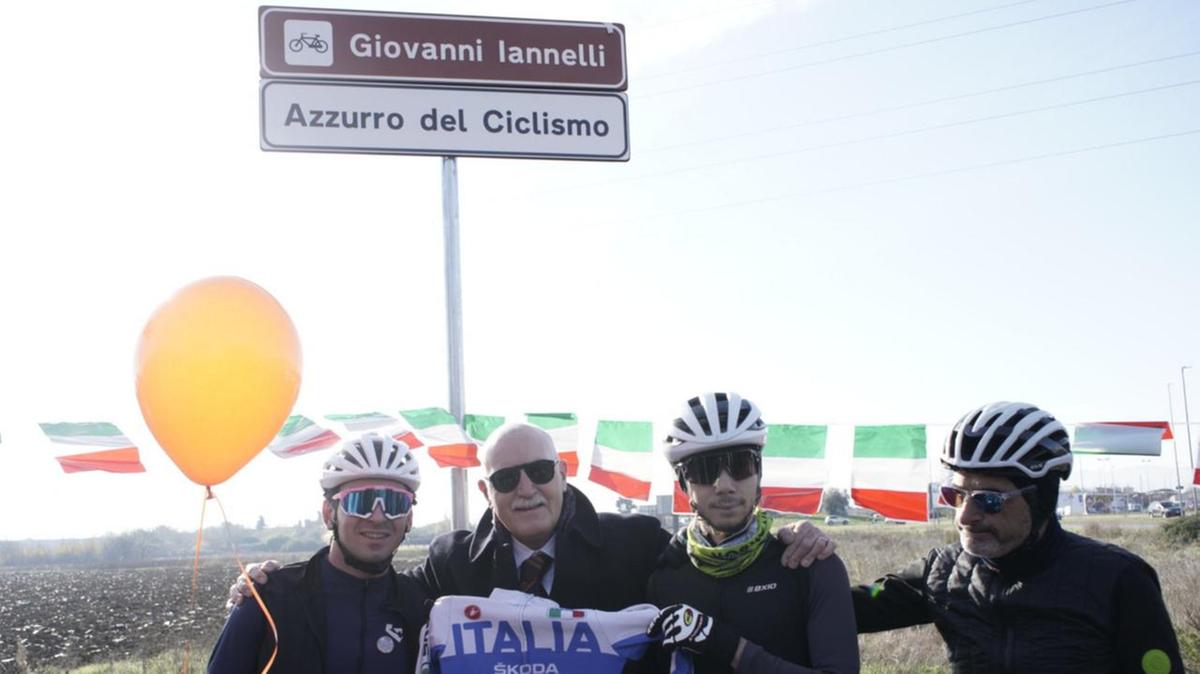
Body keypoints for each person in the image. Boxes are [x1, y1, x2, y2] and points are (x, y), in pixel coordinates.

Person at [232, 423, 835, 609]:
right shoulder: (451, 562)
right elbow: (370, 589)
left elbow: (716, 559)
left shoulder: (636, 543)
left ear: (563, 476)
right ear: (485, 490)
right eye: (506, 479)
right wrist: (275, 582)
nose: (526, 489)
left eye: (540, 472)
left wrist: (780, 538)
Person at [851, 401, 1184, 673]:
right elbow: (855, 604)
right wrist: (816, 551)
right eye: (957, 495)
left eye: (989, 499)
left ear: (1041, 500)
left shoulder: (1118, 578)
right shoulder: (941, 571)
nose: (965, 516)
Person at [646, 392, 859, 673]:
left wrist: (726, 645)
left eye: (740, 465)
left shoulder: (811, 565)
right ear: (684, 483)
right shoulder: (664, 575)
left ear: (758, 471)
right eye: (704, 470)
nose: (724, 485)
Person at [207, 433, 431, 674]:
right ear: (329, 514)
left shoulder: (422, 606)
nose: (378, 517)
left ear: (409, 519)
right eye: (361, 502)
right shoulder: (268, 598)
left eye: (395, 503)